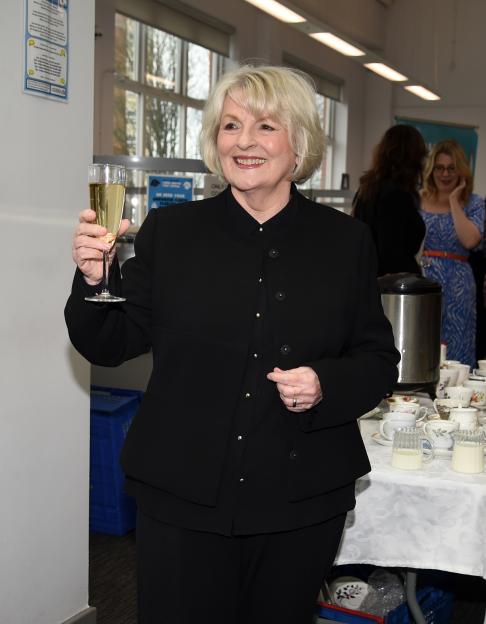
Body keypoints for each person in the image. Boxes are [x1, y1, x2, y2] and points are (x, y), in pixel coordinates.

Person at [65, 65, 399, 624]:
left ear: (299, 145)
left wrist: (324, 384)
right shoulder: (171, 233)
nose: (244, 141)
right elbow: (110, 342)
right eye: (230, 125)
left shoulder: (345, 242)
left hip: (299, 498)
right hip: (181, 494)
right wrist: (96, 280)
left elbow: (376, 360)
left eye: (266, 126)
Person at [420, 139, 485, 367]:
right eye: (439, 167)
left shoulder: (474, 203)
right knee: (423, 341)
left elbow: (470, 240)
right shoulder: (418, 199)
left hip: (459, 285)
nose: (445, 174)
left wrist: (454, 201)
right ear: (431, 169)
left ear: (461, 171)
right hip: (424, 282)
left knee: (457, 346)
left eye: (451, 168)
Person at [353, 124, 427, 276]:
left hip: (370, 279)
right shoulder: (397, 196)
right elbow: (392, 254)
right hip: (394, 287)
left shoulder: (367, 190)